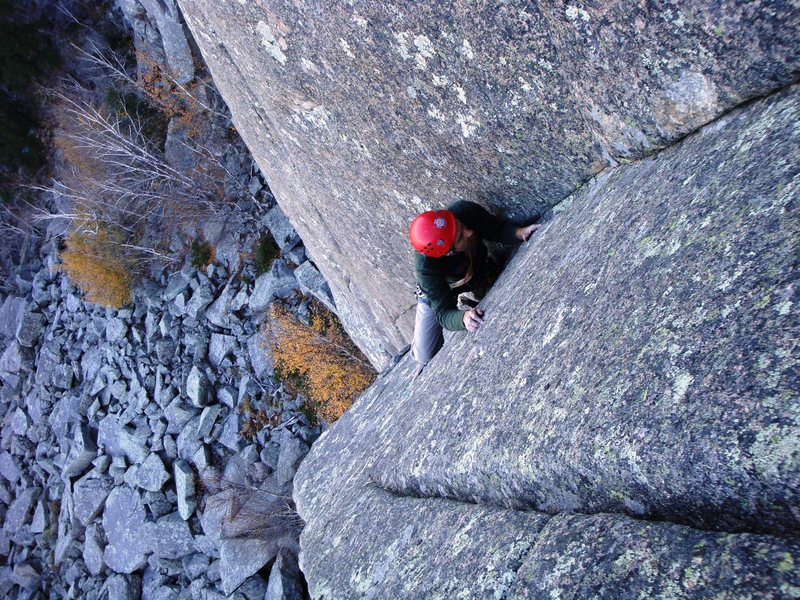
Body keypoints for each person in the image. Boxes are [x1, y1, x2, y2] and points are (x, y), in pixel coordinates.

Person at [409, 200, 541, 374]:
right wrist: (463, 318)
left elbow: (497, 229)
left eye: (461, 226)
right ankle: (419, 353)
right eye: (460, 237)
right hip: (440, 292)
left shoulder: (463, 212)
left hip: (474, 271)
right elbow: (443, 313)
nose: (469, 232)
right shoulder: (426, 267)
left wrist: (519, 233)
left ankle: (472, 290)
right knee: (424, 355)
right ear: (448, 251)